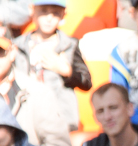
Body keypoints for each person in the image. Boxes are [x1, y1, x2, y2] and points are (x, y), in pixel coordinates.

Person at [13, 0, 93, 132]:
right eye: (44, 11)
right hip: (26, 118)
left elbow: (87, 82)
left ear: (63, 14)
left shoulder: (70, 45)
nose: (49, 18)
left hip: (61, 119)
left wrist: (67, 71)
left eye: (55, 13)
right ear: (32, 10)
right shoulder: (18, 46)